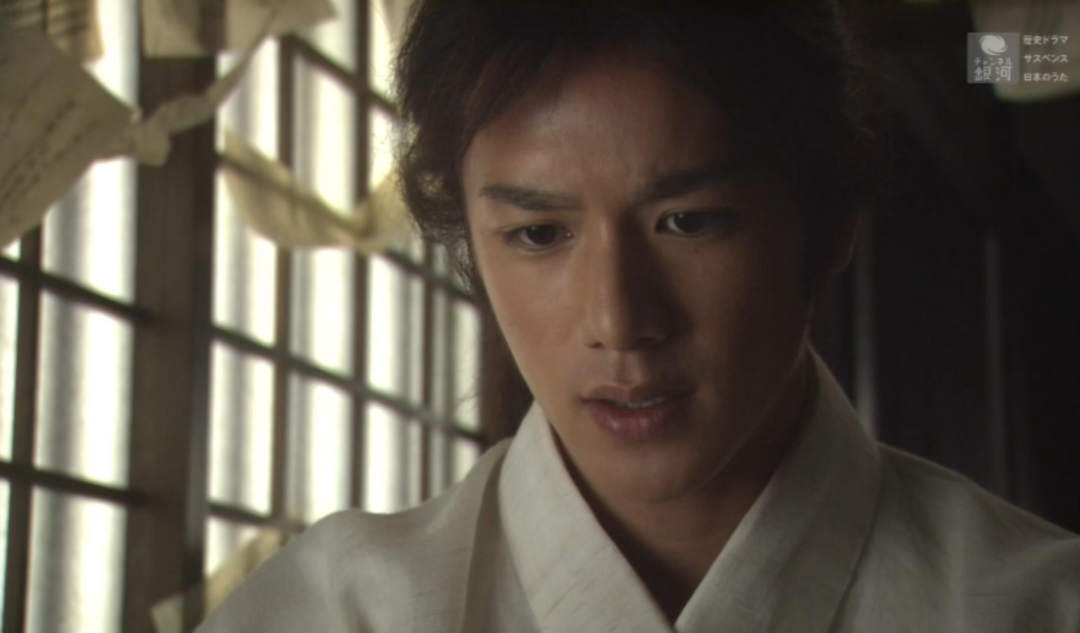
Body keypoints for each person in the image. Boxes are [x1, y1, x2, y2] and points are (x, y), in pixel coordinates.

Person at [196, 1, 1080, 631]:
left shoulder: (1036, 604)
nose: (619, 321)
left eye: (689, 222)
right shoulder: (335, 610)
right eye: (539, 233)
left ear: (829, 222)